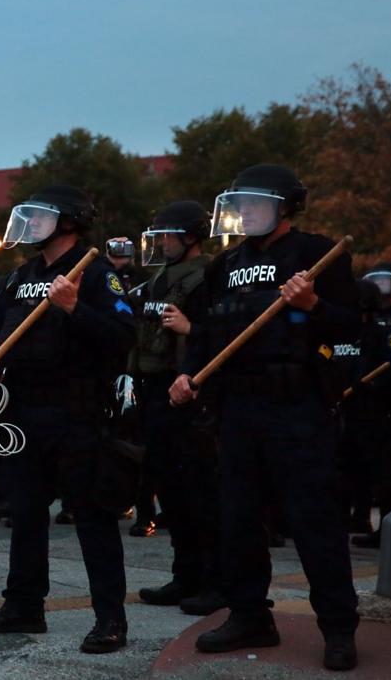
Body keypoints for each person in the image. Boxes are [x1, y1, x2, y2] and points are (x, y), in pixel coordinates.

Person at [170, 164, 360, 671]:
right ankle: (250, 615)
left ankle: (338, 628)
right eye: (240, 206)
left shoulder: (317, 255)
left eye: (255, 205)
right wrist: (189, 373)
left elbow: (352, 326)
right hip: (238, 410)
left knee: (313, 521)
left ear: (285, 207)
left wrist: (313, 303)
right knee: (236, 520)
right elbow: (207, 332)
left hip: (298, 408)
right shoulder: (224, 265)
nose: (245, 213)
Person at [0, 184, 135, 654]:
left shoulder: (96, 274)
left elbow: (122, 336)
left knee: (92, 517)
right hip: (23, 411)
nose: (31, 224)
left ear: (71, 220)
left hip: (76, 412)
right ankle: (23, 606)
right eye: (29, 216)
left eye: (41, 216)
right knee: (25, 512)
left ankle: (110, 619)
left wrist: (76, 308)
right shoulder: (22, 275)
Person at [130, 202, 224, 616]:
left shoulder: (208, 276)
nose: (161, 242)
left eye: (168, 235)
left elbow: (225, 334)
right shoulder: (160, 278)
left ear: (190, 236)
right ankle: (185, 576)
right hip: (155, 391)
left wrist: (192, 329)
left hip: (189, 395)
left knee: (201, 492)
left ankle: (214, 582)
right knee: (170, 489)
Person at [346, 263, 391, 548]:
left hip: (379, 410)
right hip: (347, 409)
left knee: (383, 471)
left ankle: (382, 524)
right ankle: (354, 515)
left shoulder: (389, 327)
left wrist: (371, 386)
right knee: (351, 467)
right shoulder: (346, 328)